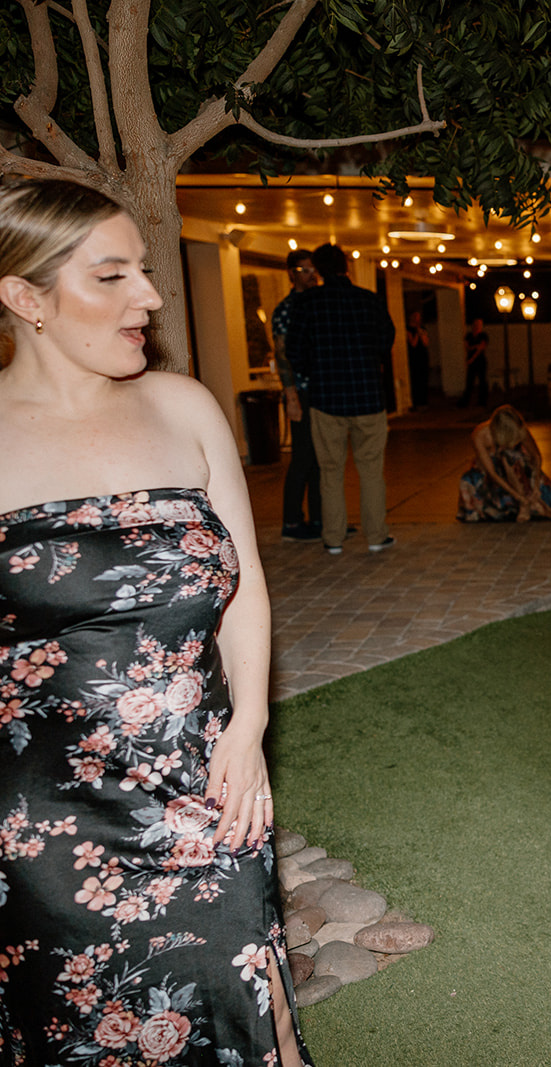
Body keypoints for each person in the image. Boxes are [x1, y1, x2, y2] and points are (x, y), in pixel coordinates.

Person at [0, 178, 311, 1065]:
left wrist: (248, 725)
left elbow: (244, 584)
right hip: (41, 826)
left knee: (252, 1013)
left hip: (208, 784)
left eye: (143, 268)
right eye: (113, 275)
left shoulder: (184, 405)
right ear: (26, 299)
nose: (150, 294)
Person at [290, 243, 397, 555]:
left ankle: (333, 538)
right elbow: (386, 339)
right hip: (368, 397)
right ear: (346, 266)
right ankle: (377, 536)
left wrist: (316, 369)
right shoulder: (368, 300)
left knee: (330, 471)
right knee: (371, 469)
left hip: (326, 399)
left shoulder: (308, 303)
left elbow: (295, 351)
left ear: (320, 269)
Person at [273, 249, 322, 542]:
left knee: (320, 458)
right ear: (292, 273)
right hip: (300, 392)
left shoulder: (317, 303)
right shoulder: (286, 309)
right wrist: (290, 395)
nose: (311, 275)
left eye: (313, 269)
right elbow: (282, 355)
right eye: (304, 270)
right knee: (302, 457)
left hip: (320, 391)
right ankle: (291, 521)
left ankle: (319, 518)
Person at [457, 404, 551, 521]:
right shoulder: (480, 435)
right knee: (467, 480)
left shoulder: (518, 428)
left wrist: (535, 484)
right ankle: (515, 503)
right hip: (491, 474)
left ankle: (526, 504)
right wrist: (517, 496)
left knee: (510, 459)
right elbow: (492, 473)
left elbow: (536, 456)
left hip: (516, 469)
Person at [460, 317, 489, 407]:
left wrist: (472, 357)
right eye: (475, 324)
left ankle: (482, 401)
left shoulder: (483, 335)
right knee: (469, 381)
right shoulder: (469, 335)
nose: (477, 326)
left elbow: (481, 348)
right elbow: (467, 347)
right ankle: (465, 401)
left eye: (479, 325)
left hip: (480, 360)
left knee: (482, 381)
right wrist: (474, 347)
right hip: (471, 361)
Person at [405, 309, 430, 409]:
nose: (417, 320)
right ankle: (415, 401)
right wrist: (416, 333)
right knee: (415, 379)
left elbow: (425, 343)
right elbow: (413, 344)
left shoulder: (422, 328)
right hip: (414, 358)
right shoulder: (408, 329)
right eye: (415, 317)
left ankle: (424, 401)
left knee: (424, 378)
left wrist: (421, 333)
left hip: (423, 356)